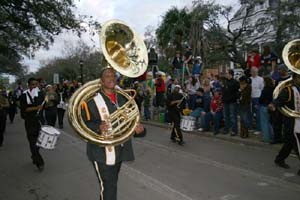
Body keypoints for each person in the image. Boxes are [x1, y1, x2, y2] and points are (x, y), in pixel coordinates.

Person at [81, 67, 145, 200]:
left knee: (111, 185)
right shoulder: (90, 100)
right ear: (101, 80)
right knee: (109, 186)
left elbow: (133, 121)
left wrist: (140, 130)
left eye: (113, 75)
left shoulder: (123, 97)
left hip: (119, 150)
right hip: (100, 152)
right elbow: (83, 124)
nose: (111, 78)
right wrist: (98, 126)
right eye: (107, 76)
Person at [269, 73, 300, 176]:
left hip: (298, 121)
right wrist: (273, 105)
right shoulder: (288, 90)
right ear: (294, 78)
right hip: (291, 122)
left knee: (289, 143)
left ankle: (279, 159)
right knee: (297, 144)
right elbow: (279, 100)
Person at [20, 78, 45, 171]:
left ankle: (34, 155)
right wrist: (36, 108)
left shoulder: (41, 94)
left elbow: (44, 105)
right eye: (33, 85)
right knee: (32, 142)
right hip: (30, 122)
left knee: (39, 142)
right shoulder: (23, 95)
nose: (35, 86)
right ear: (29, 85)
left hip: (39, 121)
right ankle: (39, 162)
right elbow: (24, 110)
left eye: (36, 84)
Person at [222, 69, 240, 136]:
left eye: (227, 73)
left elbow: (238, 92)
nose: (226, 74)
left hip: (232, 102)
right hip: (225, 102)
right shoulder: (225, 82)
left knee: (233, 116)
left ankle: (234, 130)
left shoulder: (235, 82)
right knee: (226, 116)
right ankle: (226, 129)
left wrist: (234, 98)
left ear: (230, 74)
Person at [259, 76, 274, 143]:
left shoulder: (265, 90)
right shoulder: (273, 89)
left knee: (264, 123)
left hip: (264, 106)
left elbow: (261, 99)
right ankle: (272, 136)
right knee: (270, 122)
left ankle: (266, 138)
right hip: (271, 107)